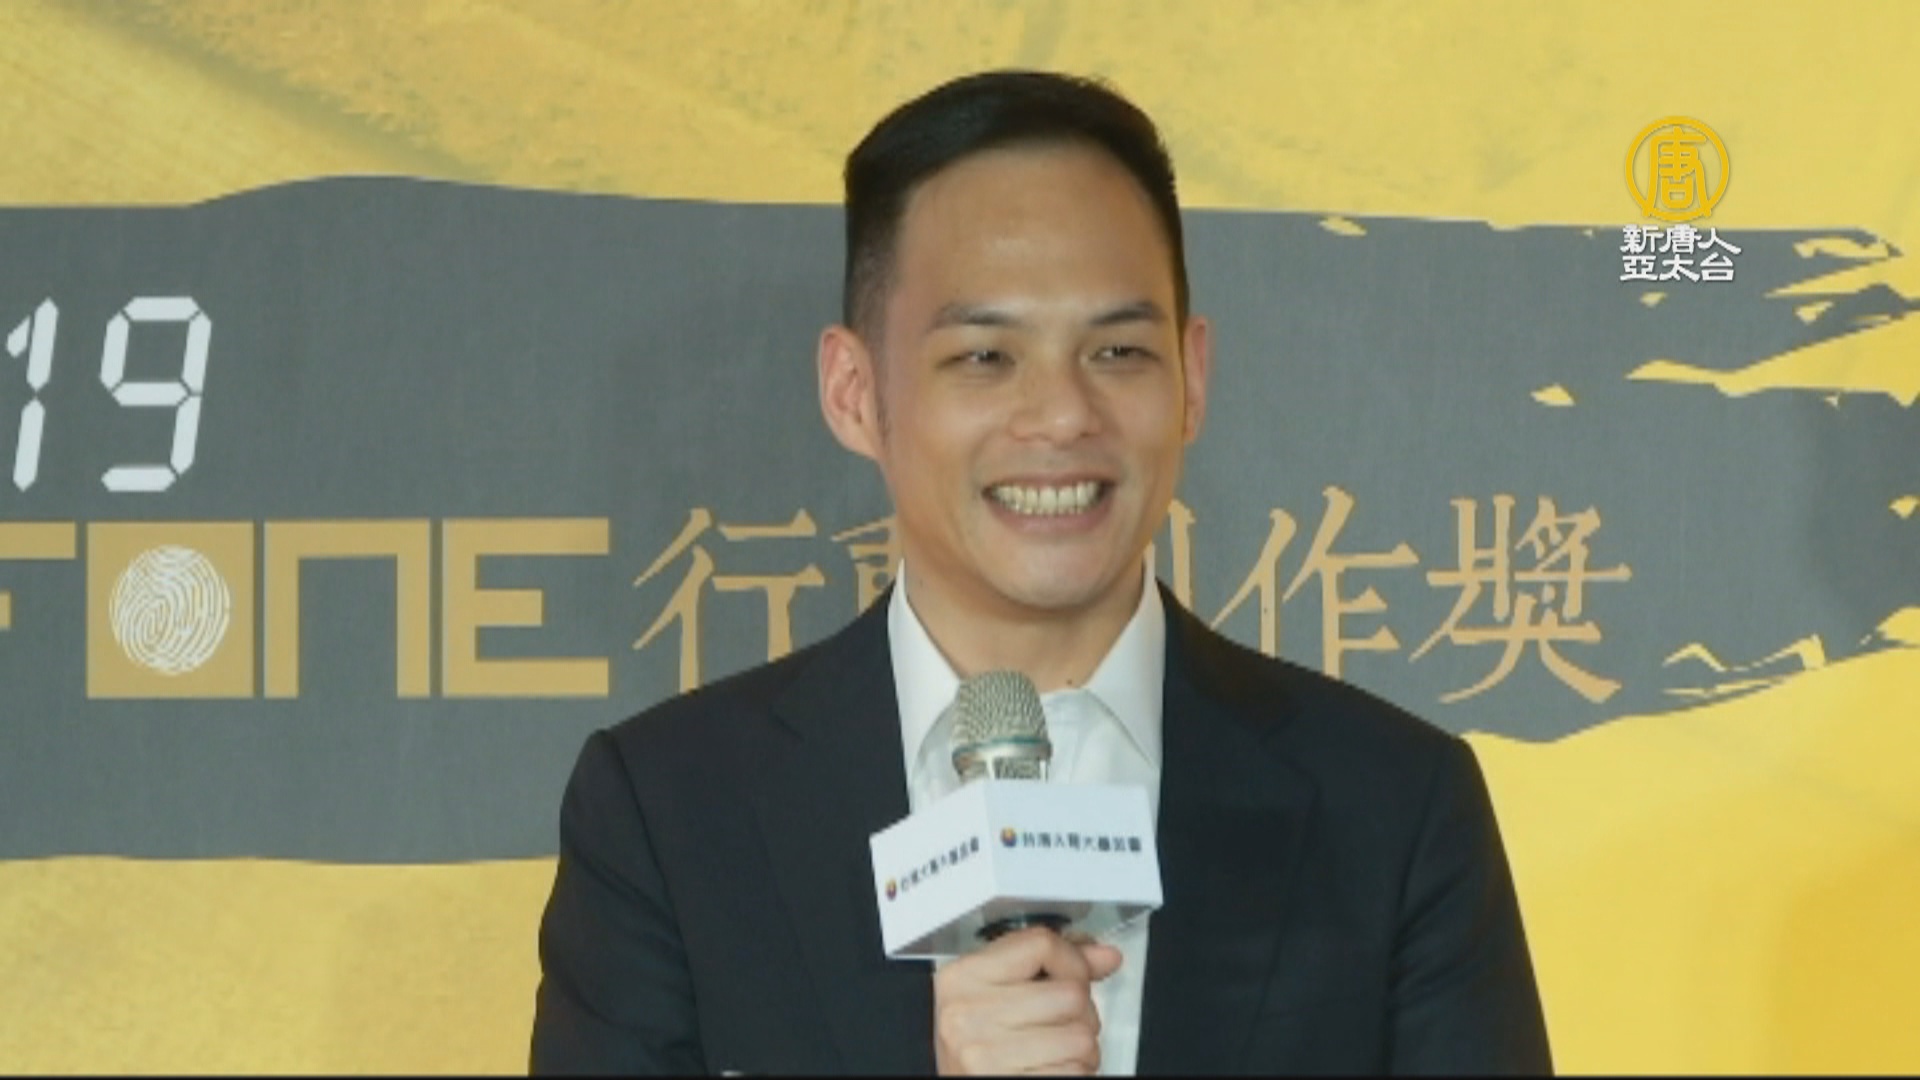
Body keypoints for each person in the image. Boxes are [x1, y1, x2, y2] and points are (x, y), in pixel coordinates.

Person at [530, 70, 1552, 1076]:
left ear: (1193, 378)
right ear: (855, 392)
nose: (1063, 416)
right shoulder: (670, 816)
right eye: (985, 357)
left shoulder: (1394, 807)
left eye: (1117, 352)